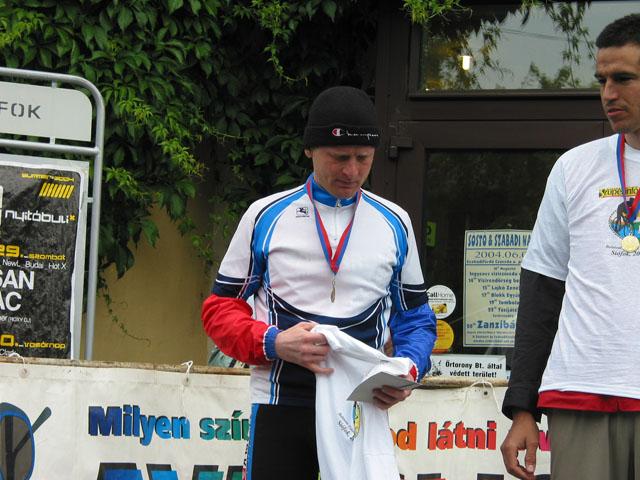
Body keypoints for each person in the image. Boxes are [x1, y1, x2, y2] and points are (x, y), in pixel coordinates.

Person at [201, 86, 436, 479]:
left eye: (363, 158)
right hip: (280, 402)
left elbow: (416, 319)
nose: (352, 171)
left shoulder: (395, 221)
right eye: (339, 157)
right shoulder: (265, 215)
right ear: (310, 149)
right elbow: (220, 309)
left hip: (360, 405)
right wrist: (273, 342)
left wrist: (409, 370)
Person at [500, 13, 640, 480]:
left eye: (623, 79)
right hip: (580, 392)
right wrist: (523, 406)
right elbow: (542, 289)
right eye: (602, 80)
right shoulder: (573, 168)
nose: (608, 94)